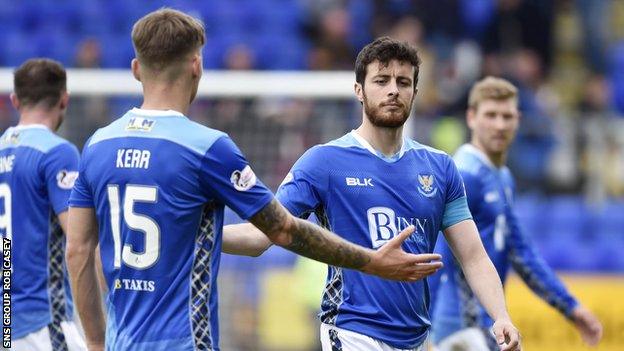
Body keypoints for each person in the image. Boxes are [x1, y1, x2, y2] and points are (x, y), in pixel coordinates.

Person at [65, 9, 435, 351]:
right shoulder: (206, 148)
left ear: (134, 69)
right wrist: (371, 261)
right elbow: (283, 229)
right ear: (196, 66)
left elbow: (79, 251)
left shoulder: (98, 145)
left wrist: (96, 344)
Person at [224, 37, 521, 351]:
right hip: (351, 332)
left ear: (414, 93)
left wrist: (500, 315)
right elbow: (259, 236)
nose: (393, 90)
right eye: (381, 80)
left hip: (416, 338)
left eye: (403, 82)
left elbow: (473, 256)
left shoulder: (440, 168)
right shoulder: (323, 162)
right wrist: (196, 232)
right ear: (359, 90)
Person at [431, 76, 603, 350]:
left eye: (507, 116)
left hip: (488, 327)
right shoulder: (464, 175)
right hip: (461, 330)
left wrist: (570, 307)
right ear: (471, 117)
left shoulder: (502, 177)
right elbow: (435, 253)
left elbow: (521, 253)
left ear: (518, 120)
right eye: (491, 115)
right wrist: (424, 330)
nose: (500, 125)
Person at [0, 59, 86, 350]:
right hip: (41, 321)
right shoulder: (57, 152)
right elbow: (79, 239)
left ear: (14, 100)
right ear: (64, 99)